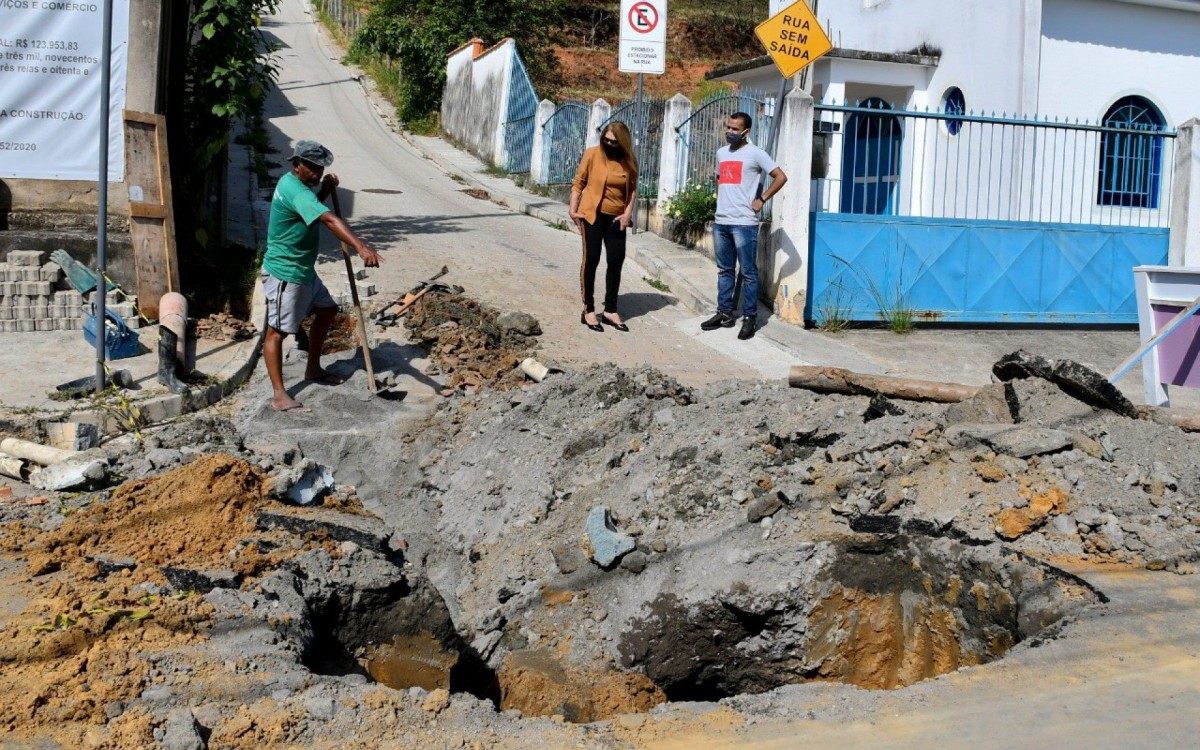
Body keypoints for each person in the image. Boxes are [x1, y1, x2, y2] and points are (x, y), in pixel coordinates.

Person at [261, 139, 381, 413]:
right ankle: (280, 395)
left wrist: (325, 189)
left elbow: (311, 208)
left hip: (304, 270)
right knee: (276, 332)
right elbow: (327, 219)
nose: (316, 172)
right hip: (285, 273)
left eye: (320, 168)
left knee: (327, 310)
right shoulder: (295, 191)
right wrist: (360, 247)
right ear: (297, 165)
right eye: (312, 167)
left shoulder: (299, 187)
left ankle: (313, 369)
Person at [700, 112, 787, 340]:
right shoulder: (721, 152)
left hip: (744, 223)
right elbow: (720, 179)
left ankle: (750, 318)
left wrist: (763, 198)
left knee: (748, 272)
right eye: (728, 127)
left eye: (735, 129)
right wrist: (721, 203)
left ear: (746, 132)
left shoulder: (756, 153)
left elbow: (780, 177)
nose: (730, 132)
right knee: (724, 270)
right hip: (722, 222)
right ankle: (725, 313)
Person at [569, 122, 638, 333]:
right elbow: (578, 183)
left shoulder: (629, 161)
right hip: (592, 215)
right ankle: (588, 309)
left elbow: (633, 189)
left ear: (622, 143)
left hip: (617, 219)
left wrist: (627, 214)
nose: (609, 144)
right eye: (606, 140)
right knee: (592, 259)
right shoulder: (592, 154)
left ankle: (610, 310)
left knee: (616, 262)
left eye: (614, 142)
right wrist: (573, 210)